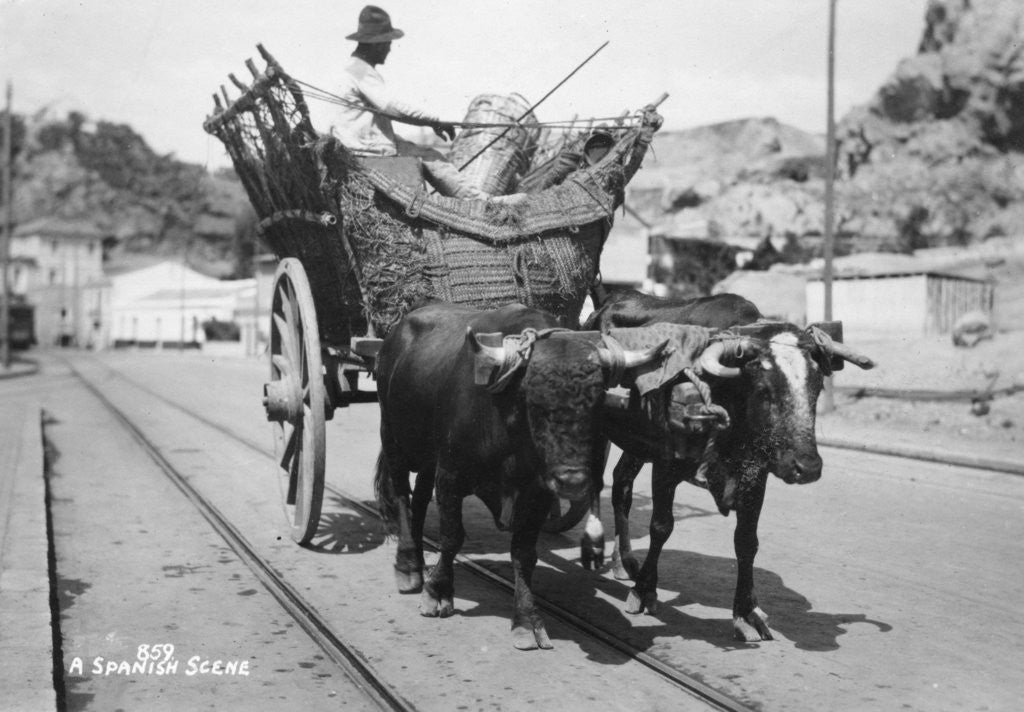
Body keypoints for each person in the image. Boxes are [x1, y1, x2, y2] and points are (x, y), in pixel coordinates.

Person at [332, 5, 493, 200]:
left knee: (425, 153)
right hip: (366, 147)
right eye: (388, 43)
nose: (390, 49)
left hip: (359, 141)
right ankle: (479, 202)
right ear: (378, 44)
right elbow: (393, 108)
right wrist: (434, 121)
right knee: (432, 158)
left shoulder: (351, 68)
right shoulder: (361, 71)